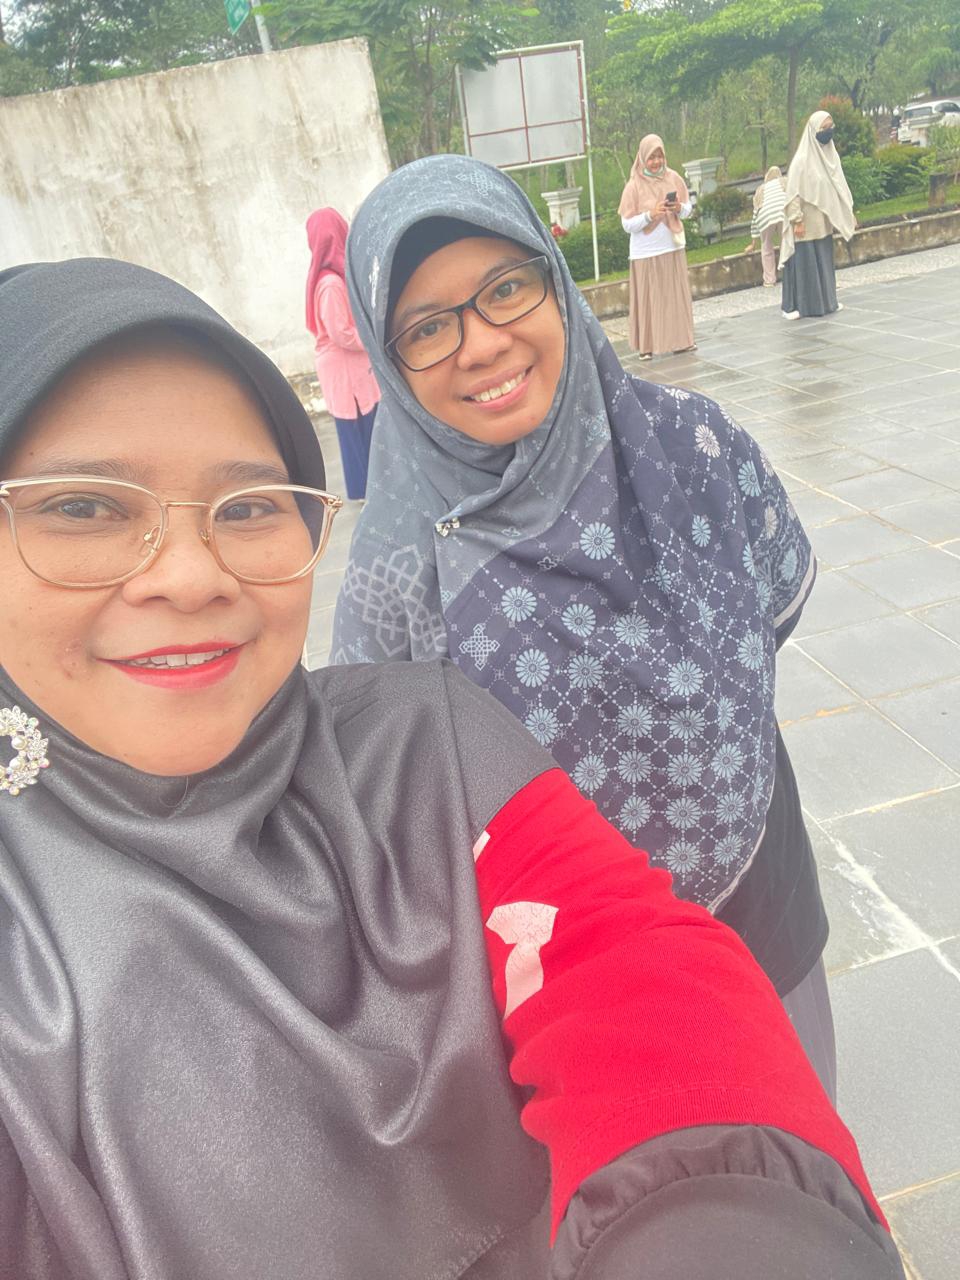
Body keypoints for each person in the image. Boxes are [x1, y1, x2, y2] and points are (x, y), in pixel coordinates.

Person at [0, 258, 906, 1279]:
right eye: (84, 508)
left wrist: (741, 1222)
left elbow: (628, 968)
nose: (190, 575)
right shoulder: (401, 552)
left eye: (250, 505)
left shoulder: (419, 744)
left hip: (760, 868)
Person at [333, 154, 836, 1099]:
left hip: (763, 888)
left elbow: (771, 605)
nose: (482, 344)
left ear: (556, 285)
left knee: (797, 1139)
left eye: (505, 288)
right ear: (388, 362)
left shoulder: (689, 444)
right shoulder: (396, 577)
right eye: (427, 327)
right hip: (577, 968)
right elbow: (390, 819)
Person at [305, 207, 379, 498]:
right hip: (345, 369)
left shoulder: (332, 279)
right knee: (357, 429)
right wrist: (371, 337)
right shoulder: (331, 284)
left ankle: (368, 489)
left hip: (346, 366)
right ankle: (365, 491)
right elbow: (342, 333)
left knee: (362, 428)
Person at [617, 134, 695, 358]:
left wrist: (678, 208)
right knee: (649, 302)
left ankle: (681, 341)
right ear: (642, 158)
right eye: (651, 158)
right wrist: (650, 215)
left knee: (675, 299)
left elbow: (688, 209)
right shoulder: (633, 186)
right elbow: (627, 224)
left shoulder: (673, 178)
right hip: (645, 253)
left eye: (659, 156)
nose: (656, 162)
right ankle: (647, 347)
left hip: (672, 247)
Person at [780, 111, 856, 319]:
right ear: (813, 130)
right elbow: (793, 193)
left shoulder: (830, 156)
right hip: (805, 223)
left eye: (831, 127)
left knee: (823, 260)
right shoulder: (802, 160)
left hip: (823, 222)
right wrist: (797, 220)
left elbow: (839, 187)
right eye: (824, 128)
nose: (828, 132)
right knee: (805, 263)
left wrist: (847, 212)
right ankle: (799, 306)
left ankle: (827, 302)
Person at [749, 165, 787, 287]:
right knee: (785, 242)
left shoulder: (760, 189)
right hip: (782, 212)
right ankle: (789, 273)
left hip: (764, 216)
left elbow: (755, 213)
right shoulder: (784, 181)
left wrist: (753, 241)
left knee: (766, 246)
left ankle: (769, 280)